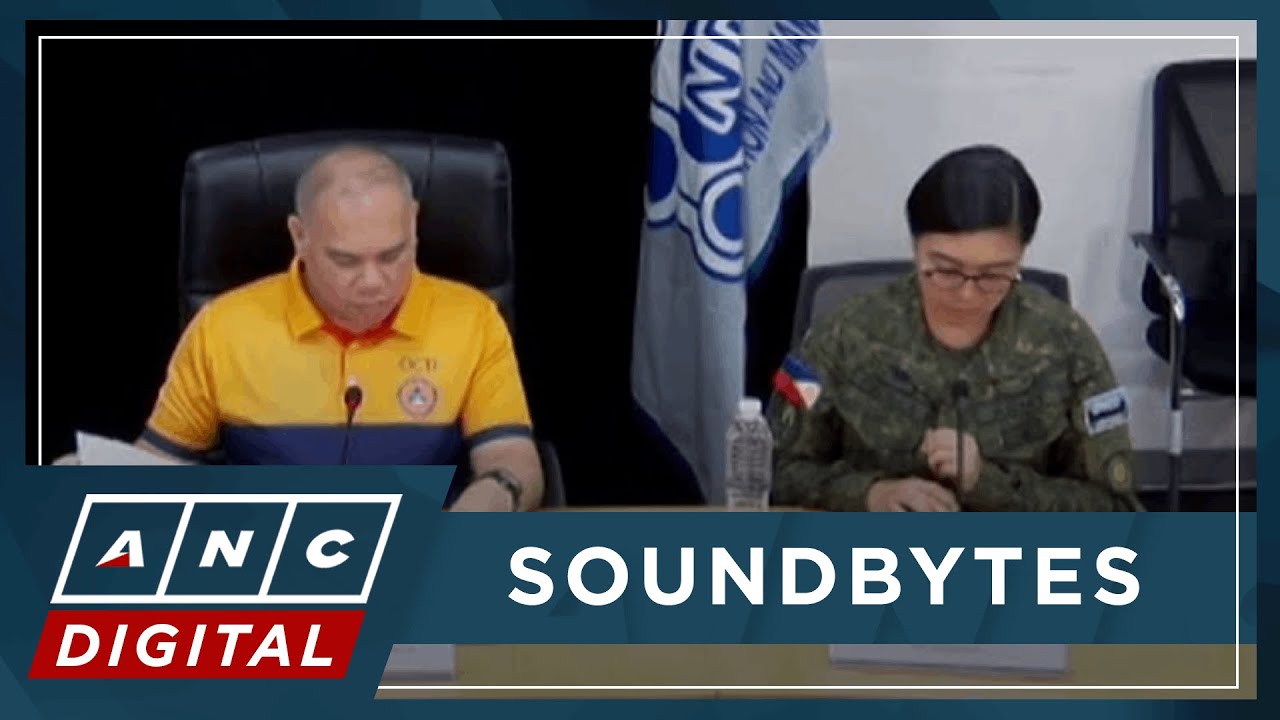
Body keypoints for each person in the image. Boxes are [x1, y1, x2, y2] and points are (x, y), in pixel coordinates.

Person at [57, 144, 543, 512]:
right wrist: (96, 477)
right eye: (345, 260)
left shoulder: (473, 319)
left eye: (392, 254)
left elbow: (512, 457)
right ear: (300, 236)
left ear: (414, 223)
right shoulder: (224, 327)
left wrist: (493, 497)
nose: (373, 282)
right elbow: (162, 465)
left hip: (422, 562)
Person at [768, 145, 1142, 512]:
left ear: (1021, 257)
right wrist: (869, 494)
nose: (967, 294)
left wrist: (988, 483)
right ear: (916, 249)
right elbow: (770, 470)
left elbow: (1116, 506)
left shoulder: (1068, 345)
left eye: (993, 275)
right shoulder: (841, 334)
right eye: (946, 270)